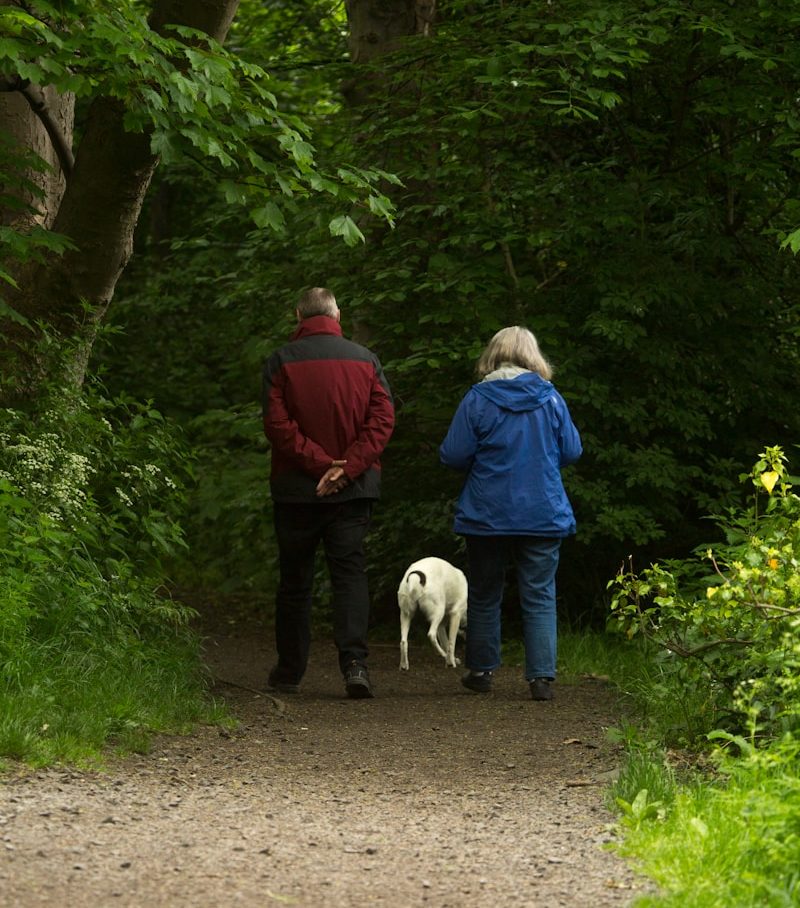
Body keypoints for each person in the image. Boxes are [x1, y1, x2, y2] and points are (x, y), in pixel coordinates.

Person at [261, 287, 395, 699]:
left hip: (297, 489)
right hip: (353, 491)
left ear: (298, 313)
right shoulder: (366, 359)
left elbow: (278, 426)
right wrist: (346, 469)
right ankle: (355, 665)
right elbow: (383, 420)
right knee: (350, 576)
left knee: (295, 581)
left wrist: (322, 466)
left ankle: (289, 672)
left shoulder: (281, 360)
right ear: (337, 313)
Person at [439, 326, 582, 701]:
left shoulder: (477, 399)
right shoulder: (550, 399)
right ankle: (541, 680)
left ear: (494, 355)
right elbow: (571, 450)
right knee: (539, 594)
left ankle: (482, 671)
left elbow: (453, 454)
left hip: (488, 512)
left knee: (485, 593)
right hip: (541, 510)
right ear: (533, 357)